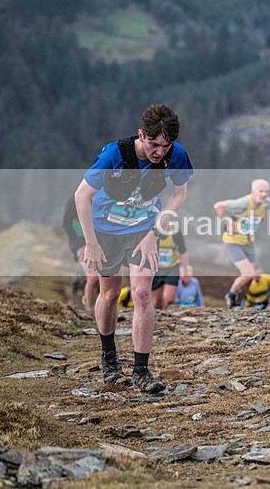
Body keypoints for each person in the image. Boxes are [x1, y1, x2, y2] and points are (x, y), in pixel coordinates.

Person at [74, 103, 193, 393]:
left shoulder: (176, 155)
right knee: (111, 292)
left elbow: (179, 194)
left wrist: (155, 232)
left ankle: (141, 371)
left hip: (144, 229)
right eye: (154, 145)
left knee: (141, 293)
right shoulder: (115, 154)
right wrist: (90, 243)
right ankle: (109, 359)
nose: (159, 152)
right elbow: (81, 196)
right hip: (105, 230)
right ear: (142, 135)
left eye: (166, 146)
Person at [213, 179, 270, 308]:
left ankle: (239, 303)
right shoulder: (243, 203)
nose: (264, 194)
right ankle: (231, 296)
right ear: (252, 192)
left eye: (266, 191)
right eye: (260, 191)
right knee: (249, 274)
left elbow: (260, 218)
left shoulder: (267, 203)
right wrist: (227, 220)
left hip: (249, 242)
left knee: (249, 278)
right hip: (233, 242)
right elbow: (218, 206)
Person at [61, 195, 100, 311]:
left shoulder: (106, 197)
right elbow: (67, 224)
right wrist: (79, 246)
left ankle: (103, 309)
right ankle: (90, 310)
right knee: (93, 277)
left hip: (101, 243)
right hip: (81, 243)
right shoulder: (75, 199)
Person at [151, 225, 190, 309]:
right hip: (156, 270)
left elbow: (183, 251)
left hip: (172, 268)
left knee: (169, 300)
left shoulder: (175, 231)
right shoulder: (151, 231)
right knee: (156, 302)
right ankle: (156, 320)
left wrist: (185, 272)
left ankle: (168, 319)